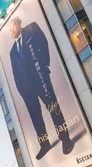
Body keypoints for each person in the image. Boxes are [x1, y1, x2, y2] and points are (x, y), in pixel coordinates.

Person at [8, 17, 74, 159]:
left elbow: (44, 43)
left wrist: (44, 66)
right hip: (27, 89)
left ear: (18, 24)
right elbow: (15, 73)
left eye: (12, 27)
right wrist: (21, 90)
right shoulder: (12, 51)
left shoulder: (31, 29)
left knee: (53, 108)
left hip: (40, 78)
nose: (10, 31)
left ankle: (65, 139)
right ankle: (45, 144)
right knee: (35, 117)